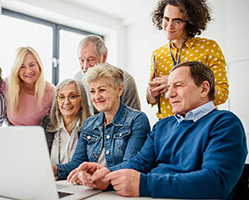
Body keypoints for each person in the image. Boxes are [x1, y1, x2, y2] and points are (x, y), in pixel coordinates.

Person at [75, 61, 247, 199]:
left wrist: (145, 184)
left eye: (178, 85)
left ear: (204, 88)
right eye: (169, 87)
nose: (169, 94)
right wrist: (104, 175)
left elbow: (216, 183)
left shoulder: (225, 124)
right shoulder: (163, 126)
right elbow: (139, 163)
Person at [53, 63, 150, 181]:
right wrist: (56, 169)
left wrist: (97, 175)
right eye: (92, 91)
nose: (96, 96)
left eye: (102, 90)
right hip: (91, 187)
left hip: (118, 189)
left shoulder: (137, 120)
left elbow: (130, 165)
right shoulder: (89, 123)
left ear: (119, 90)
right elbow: (77, 163)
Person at [146, 0, 229, 119]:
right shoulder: (157, 54)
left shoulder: (208, 48)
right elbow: (152, 100)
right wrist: (151, 93)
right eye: (166, 19)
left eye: (177, 21)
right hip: (168, 126)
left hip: (200, 124)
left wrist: (173, 81)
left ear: (190, 22)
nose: (169, 26)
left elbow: (222, 94)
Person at [74, 35, 141, 114]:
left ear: (104, 57)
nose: (85, 66)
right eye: (81, 60)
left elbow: (134, 118)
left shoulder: (126, 80)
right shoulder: (78, 79)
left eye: (90, 59)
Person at [41, 79, 91, 164]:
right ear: (56, 100)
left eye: (72, 97)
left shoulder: (92, 126)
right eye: (61, 97)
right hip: (51, 177)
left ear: (82, 99)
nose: (66, 102)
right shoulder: (47, 124)